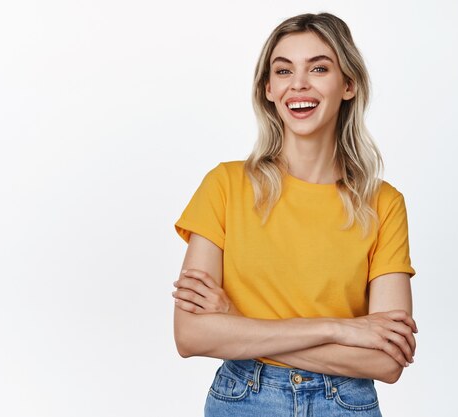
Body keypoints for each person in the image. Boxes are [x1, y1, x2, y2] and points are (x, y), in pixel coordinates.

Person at [171, 12, 418, 417]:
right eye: (283, 70)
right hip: (243, 398)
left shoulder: (383, 203)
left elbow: (386, 361)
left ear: (349, 84)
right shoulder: (226, 185)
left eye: (319, 68)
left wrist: (238, 324)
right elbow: (191, 335)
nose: (298, 84)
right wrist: (339, 327)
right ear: (269, 89)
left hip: (345, 402)